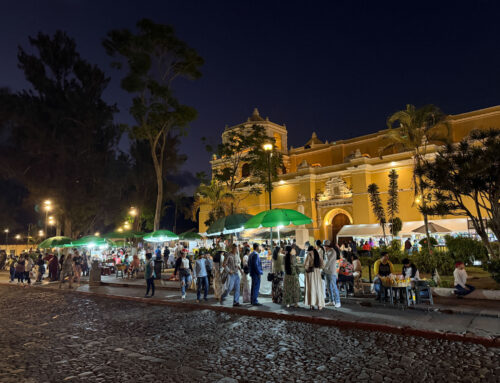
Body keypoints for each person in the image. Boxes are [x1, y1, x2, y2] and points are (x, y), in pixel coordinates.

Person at [323, 240, 341, 308]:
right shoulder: (327, 251)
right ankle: (331, 300)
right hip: (327, 271)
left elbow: (329, 261)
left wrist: (323, 268)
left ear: (327, 246)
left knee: (334, 286)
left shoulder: (332, 251)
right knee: (328, 286)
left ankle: (338, 301)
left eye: (324, 246)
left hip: (332, 271)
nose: (324, 247)